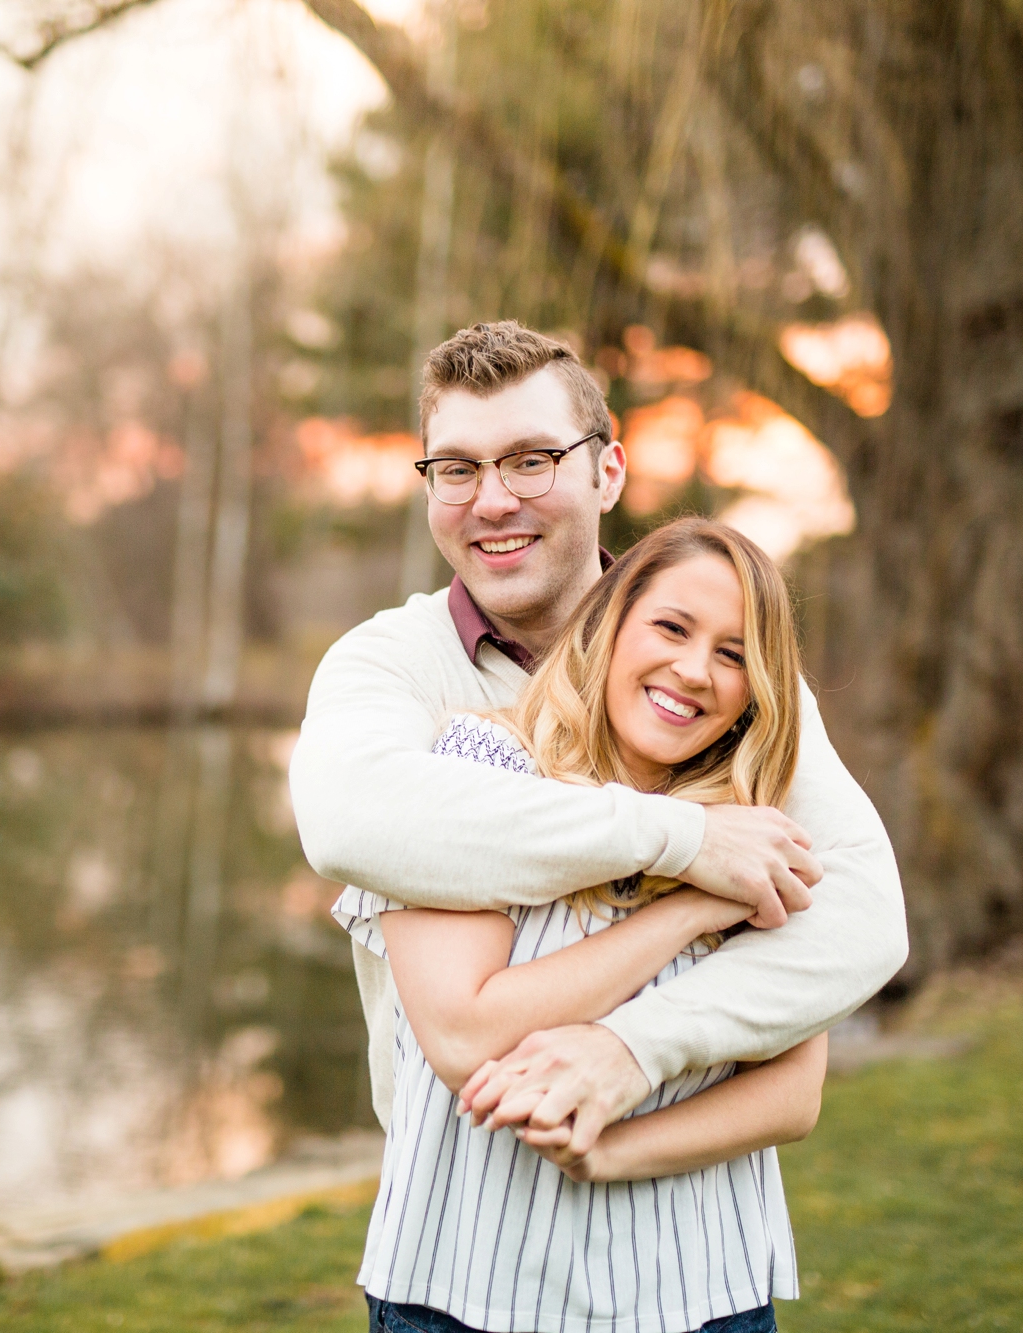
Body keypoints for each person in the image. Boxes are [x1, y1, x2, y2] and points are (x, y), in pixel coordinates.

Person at [288, 319, 903, 1177]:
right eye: (458, 468)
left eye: (532, 459)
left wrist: (631, 1048)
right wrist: (684, 844)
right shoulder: (392, 663)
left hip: (698, 1238)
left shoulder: (718, 682)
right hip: (459, 1215)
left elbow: (865, 913)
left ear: (607, 470)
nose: (493, 499)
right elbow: (351, 821)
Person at [334, 516, 826, 1332]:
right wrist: (692, 905)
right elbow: (463, 1033)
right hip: (466, 1296)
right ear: (609, 621)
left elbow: (792, 1093)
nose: (694, 669)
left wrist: (610, 1153)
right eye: (671, 626)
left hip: (707, 1300)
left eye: (735, 653)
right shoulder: (478, 765)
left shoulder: (760, 825)